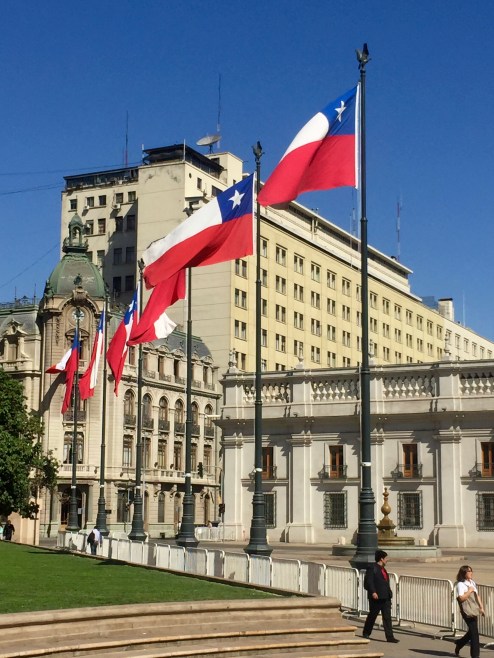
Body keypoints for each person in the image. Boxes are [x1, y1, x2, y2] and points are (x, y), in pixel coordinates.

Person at [362, 549, 399, 643]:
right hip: (376, 597)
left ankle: (390, 637)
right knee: (372, 616)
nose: (387, 560)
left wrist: (389, 591)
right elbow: (369, 582)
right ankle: (366, 633)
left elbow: (384, 582)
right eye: (386, 558)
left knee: (387, 617)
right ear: (381, 559)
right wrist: (373, 592)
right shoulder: (372, 568)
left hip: (385, 597)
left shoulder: (383, 569)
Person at [454, 565, 484, 658]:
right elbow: (461, 598)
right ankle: (475, 656)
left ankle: (460, 643)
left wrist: (481, 607)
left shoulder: (472, 582)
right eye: (468, 571)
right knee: (474, 634)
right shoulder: (460, 584)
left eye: (471, 571)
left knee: (472, 631)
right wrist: (469, 591)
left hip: (474, 609)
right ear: (464, 573)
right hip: (466, 611)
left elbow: (477, 595)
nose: (471, 573)